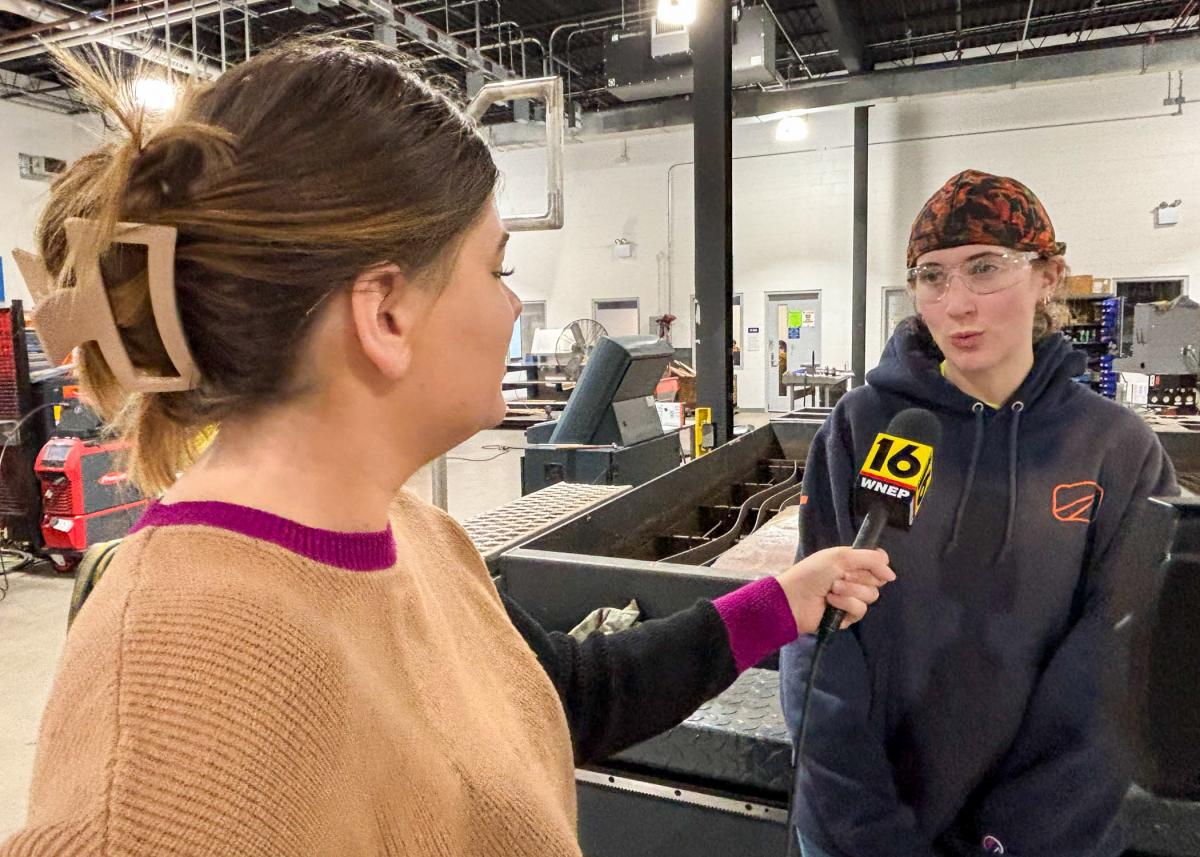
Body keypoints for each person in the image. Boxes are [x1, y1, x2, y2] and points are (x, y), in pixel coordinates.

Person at [1, 40, 897, 856]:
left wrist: (780, 601)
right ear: (385, 313)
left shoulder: (420, 539)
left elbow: (563, 697)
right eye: (497, 267)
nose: (512, 307)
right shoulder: (175, 697)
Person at [781, 169, 1178, 857]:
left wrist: (1008, 841)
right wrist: (867, 831)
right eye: (932, 276)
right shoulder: (864, 427)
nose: (956, 302)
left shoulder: (1113, 449)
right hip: (864, 832)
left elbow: (1117, 666)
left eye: (984, 268)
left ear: (1047, 277)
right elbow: (816, 638)